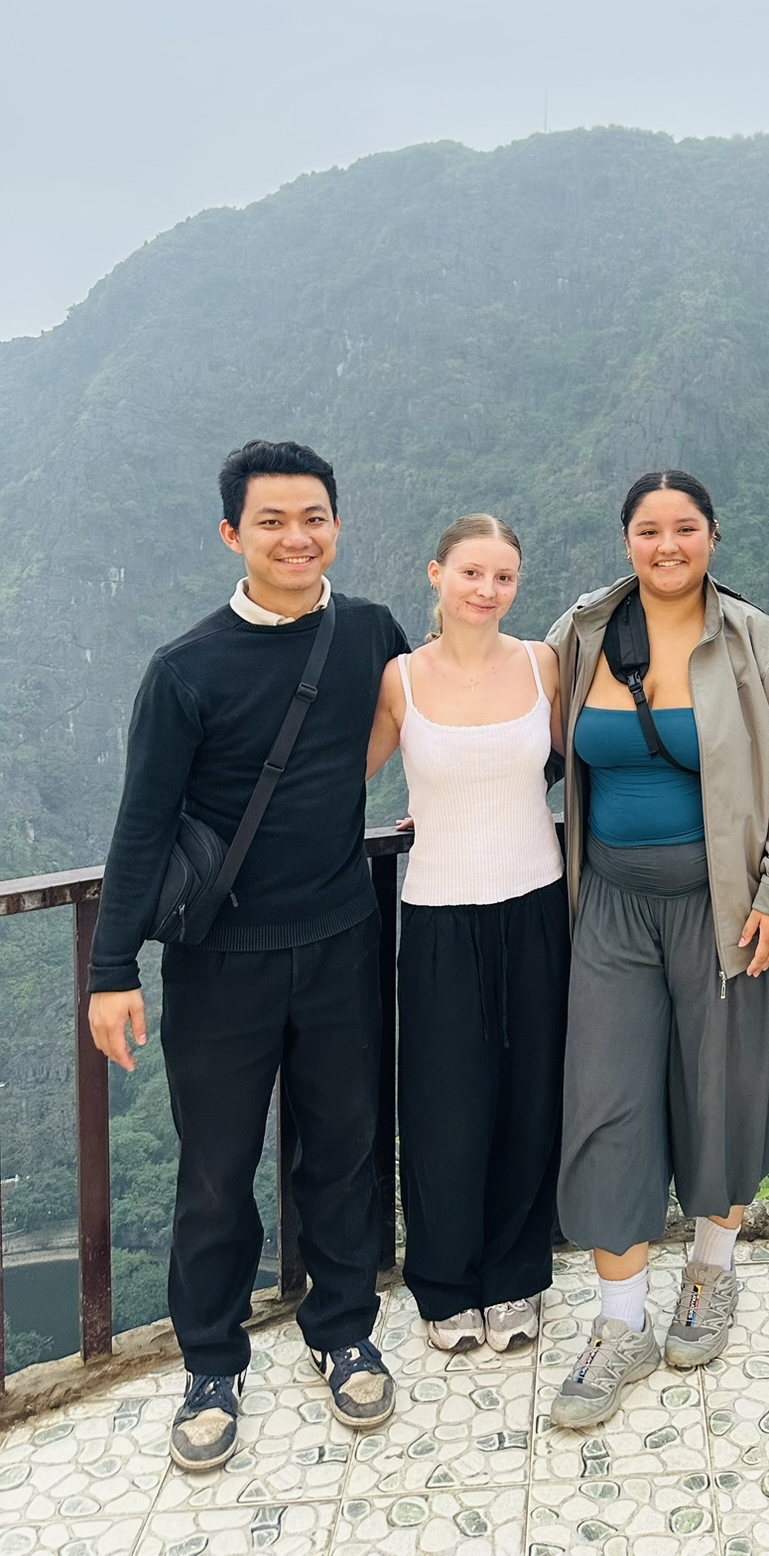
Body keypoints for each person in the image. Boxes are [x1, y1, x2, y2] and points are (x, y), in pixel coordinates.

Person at [87, 440, 410, 1473]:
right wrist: (109, 969)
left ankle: (344, 1328)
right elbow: (141, 826)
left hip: (341, 940)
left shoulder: (367, 632)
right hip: (219, 962)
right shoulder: (187, 668)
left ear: (337, 523)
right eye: (272, 519)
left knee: (346, 1151)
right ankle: (213, 1360)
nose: (296, 535)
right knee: (217, 1169)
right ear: (234, 532)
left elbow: (408, 724)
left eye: (313, 515)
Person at [544, 471, 769, 1428]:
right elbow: (521, 728)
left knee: (723, 1084)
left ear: (713, 535)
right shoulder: (581, 636)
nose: (669, 546)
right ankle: (619, 1322)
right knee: (606, 1097)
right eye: (649, 530)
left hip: (727, 902)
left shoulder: (756, 642)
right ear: (625, 538)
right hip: (612, 902)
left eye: (686, 529)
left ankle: (711, 1271)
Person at [367, 515, 568, 1358]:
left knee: (529, 1097)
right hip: (442, 908)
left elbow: (566, 758)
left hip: (536, 901)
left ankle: (515, 1277)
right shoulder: (400, 681)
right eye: (472, 574)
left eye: (505, 577)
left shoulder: (541, 663)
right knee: (446, 1104)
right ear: (436, 574)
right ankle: (445, 1284)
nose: (487, 591)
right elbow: (344, 777)